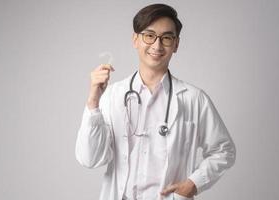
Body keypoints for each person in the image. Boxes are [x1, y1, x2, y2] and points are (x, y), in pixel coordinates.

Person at [75, 3, 236, 200]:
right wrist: (93, 101)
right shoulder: (112, 95)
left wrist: (193, 184)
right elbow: (89, 159)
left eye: (166, 38)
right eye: (149, 35)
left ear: (176, 44)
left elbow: (224, 150)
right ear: (136, 39)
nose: (157, 45)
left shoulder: (194, 99)